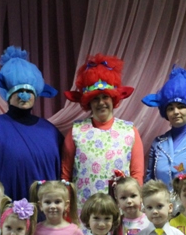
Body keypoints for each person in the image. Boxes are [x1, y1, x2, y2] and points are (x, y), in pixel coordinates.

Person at [0, 46, 63, 201]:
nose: (24, 96)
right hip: (3, 212)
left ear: (36, 93)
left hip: (47, 211)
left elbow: (63, 174)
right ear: (8, 94)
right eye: (18, 91)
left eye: (29, 91)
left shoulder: (51, 132)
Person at [62, 54, 144, 212]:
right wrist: (66, 206)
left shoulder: (129, 131)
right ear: (88, 102)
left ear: (113, 99)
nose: (101, 103)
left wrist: (134, 207)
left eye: (105, 97)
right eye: (95, 98)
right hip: (84, 211)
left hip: (120, 211)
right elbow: (66, 175)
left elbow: (137, 175)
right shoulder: (75, 132)